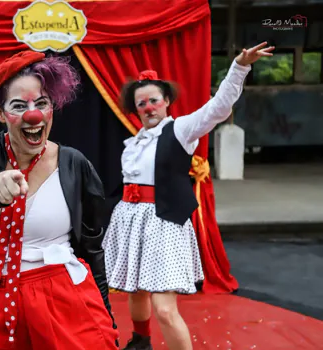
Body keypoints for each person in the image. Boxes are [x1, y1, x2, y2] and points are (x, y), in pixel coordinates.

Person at [102, 42, 274, 350]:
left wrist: (239, 67)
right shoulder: (134, 143)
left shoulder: (181, 130)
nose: (149, 107)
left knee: (165, 310)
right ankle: (140, 342)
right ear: (135, 108)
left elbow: (218, 107)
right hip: (130, 220)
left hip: (163, 223)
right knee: (136, 291)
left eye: (154, 100)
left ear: (166, 101)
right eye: (142, 104)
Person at [0, 51, 119, 350]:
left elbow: (91, 250)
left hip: (62, 300)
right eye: (18, 105)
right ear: (0, 113)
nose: (33, 115)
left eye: (41, 104)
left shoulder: (74, 164)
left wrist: (105, 318)